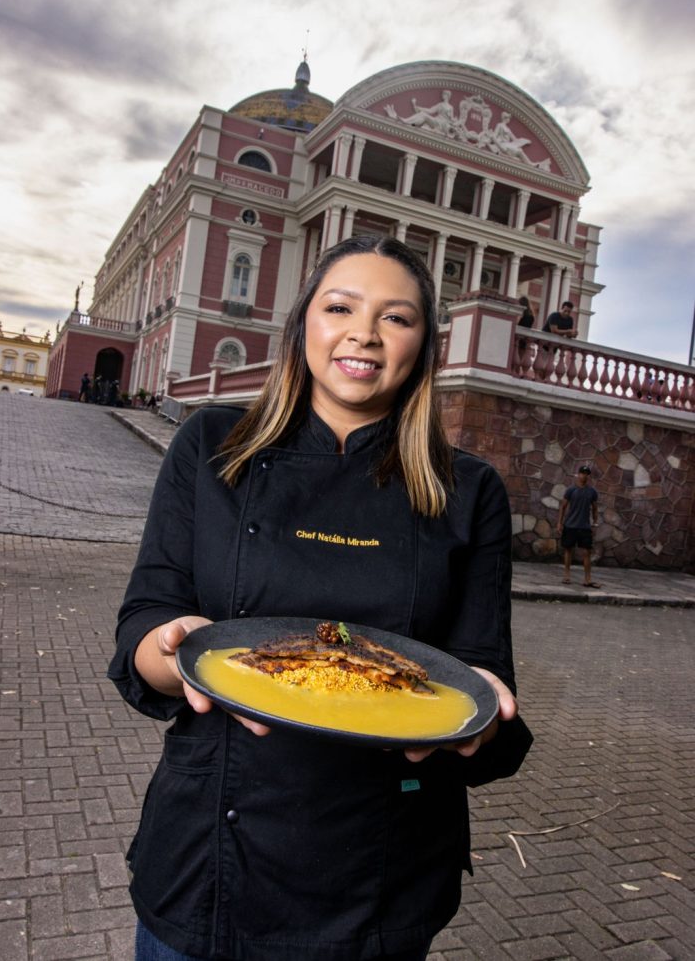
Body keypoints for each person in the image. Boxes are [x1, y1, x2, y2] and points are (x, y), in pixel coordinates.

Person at [108, 234, 532, 961]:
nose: (364, 332)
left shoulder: (469, 491)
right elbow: (144, 625)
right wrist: (172, 647)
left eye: (396, 317)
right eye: (341, 306)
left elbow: (483, 687)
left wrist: (481, 720)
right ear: (304, 320)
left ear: (424, 345)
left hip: (380, 876)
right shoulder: (212, 444)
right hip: (208, 859)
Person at [557, 466, 600, 587]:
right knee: (568, 550)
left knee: (587, 552)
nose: (584, 476)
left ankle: (587, 579)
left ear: (588, 476)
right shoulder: (571, 490)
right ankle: (566, 575)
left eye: (586, 474)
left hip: (585, 527)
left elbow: (595, 509)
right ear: (578, 474)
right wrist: (559, 523)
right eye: (582, 473)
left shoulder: (592, 492)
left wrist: (595, 523)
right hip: (570, 525)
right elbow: (563, 507)